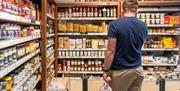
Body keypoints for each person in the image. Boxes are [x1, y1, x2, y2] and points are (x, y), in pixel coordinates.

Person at [102, 0, 148, 91]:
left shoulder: (114, 25)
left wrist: (105, 70)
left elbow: (110, 51)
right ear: (136, 10)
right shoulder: (144, 26)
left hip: (120, 71)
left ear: (122, 10)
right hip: (137, 70)